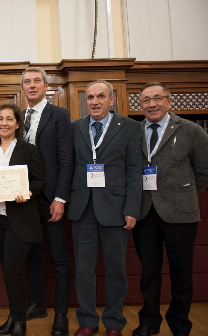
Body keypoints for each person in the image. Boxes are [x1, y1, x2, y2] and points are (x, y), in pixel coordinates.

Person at [132, 83, 208, 336]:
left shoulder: (191, 131)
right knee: (149, 272)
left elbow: (204, 173)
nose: (151, 104)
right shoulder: (134, 131)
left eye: (157, 99)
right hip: (144, 212)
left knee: (181, 273)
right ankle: (149, 322)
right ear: (140, 105)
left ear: (169, 101)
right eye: (145, 100)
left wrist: (181, 192)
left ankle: (180, 325)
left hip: (181, 212)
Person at [68, 80, 142, 336]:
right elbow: (71, 166)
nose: (95, 102)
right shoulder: (75, 128)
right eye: (90, 97)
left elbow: (135, 170)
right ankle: (87, 320)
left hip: (116, 208)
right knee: (84, 269)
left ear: (112, 100)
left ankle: (113, 322)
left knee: (116, 270)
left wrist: (132, 208)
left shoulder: (130, 128)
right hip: (83, 208)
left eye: (101, 97)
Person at [0, 103, 45, 336]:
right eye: (0, 119)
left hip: (21, 220)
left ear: (17, 124)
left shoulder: (29, 150)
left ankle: (19, 321)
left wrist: (27, 193)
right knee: (8, 271)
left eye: (9, 119)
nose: (4, 123)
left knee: (13, 271)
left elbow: (39, 182)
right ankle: (14, 316)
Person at [21, 66, 73, 336]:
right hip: (26, 199)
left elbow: (66, 160)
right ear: (23, 88)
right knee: (33, 256)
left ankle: (61, 315)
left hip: (51, 198)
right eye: (27, 82)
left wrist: (60, 198)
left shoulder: (59, 115)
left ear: (45, 85)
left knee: (59, 257)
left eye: (36, 81)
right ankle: (38, 303)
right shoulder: (18, 118)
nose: (32, 85)